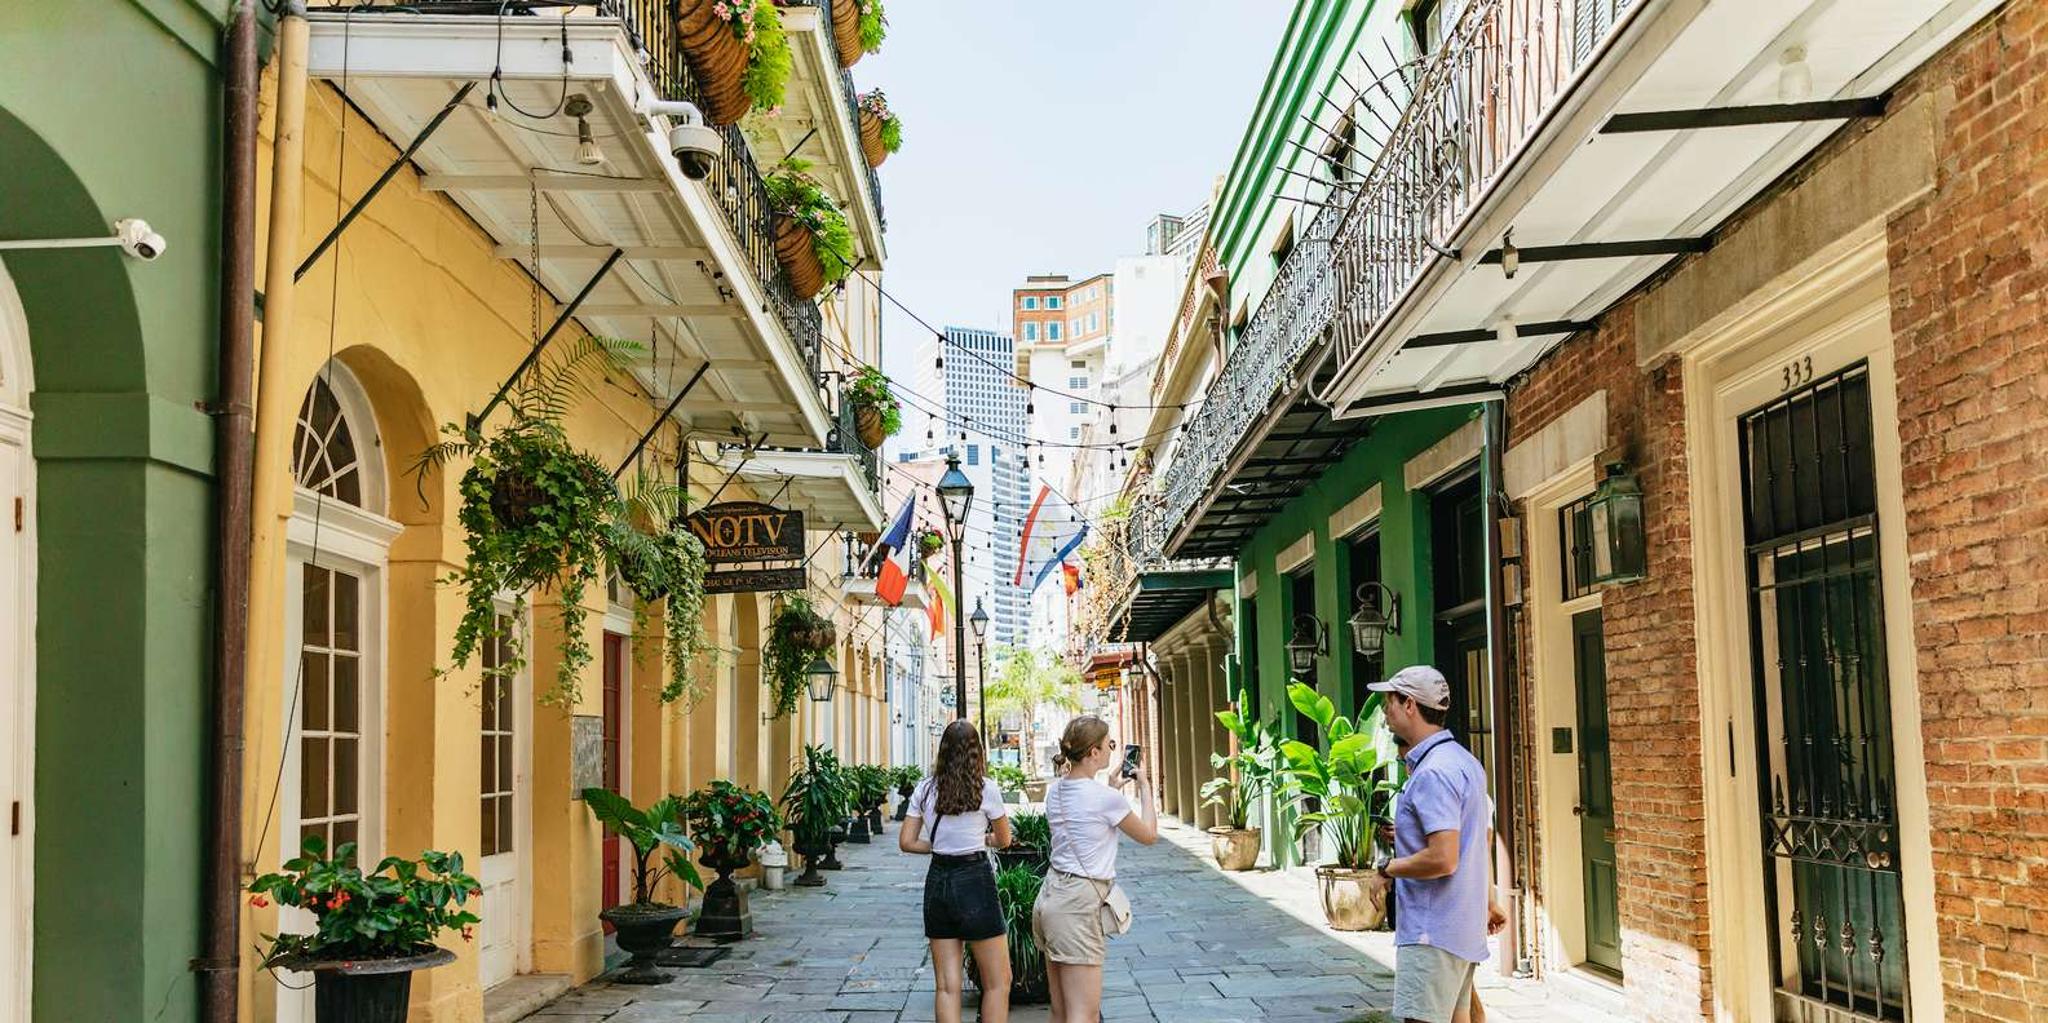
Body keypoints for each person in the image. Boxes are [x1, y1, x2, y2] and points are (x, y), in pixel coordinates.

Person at [1369, 665, 1493, 1023]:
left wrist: (1386, 869)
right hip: (1459, 925)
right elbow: (1472, 838)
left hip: (1432, 929)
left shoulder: (1433, 771)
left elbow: (1443, 858)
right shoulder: (1463, 761)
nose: (1385, 714)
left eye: (1389, 703)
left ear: (1409, 705)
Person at [1033, 716, 1157, 1023]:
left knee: (1061, 1012)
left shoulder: (1056, 791)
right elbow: (1149, 835)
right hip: (1077, 907)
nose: (1112, 751)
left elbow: (1083, 814)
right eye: (1108, 745)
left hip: (1051, 898)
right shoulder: (1106, 799)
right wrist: (1144, 788)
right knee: (1083, 1015)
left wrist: (1111, 788)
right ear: (1093, 753)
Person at [901, 720, 1013, 1023]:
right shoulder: (986, 789)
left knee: (947, 987)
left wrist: (939, 845)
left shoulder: (924, 789)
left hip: (938, 880)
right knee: (998, 982)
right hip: (974, 879)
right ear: (977, 752)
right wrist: (980, 839)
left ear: (943, 751)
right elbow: (1004, 840)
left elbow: (907, 842)